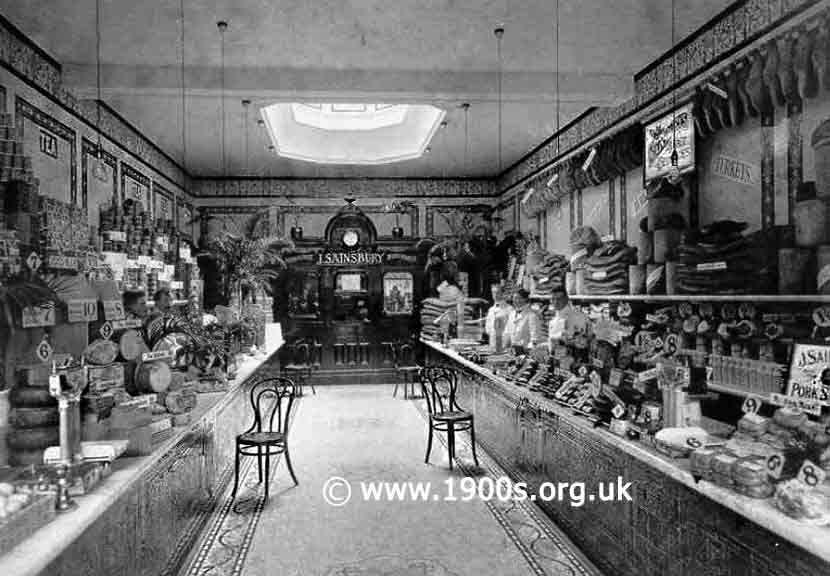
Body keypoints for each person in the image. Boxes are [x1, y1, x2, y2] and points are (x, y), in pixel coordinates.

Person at [505, 288, 540, 354]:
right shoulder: (511, 314)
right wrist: (506, 347)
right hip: (512, 352)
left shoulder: (531, 315)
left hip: (525, 353)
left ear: (525, 299)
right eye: (514, 298)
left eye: (519, 298)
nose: (516, 300)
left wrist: (528, 351)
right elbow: (507, 333)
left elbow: (534, 338)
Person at [484, 284, 513, 352]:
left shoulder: (509, 309)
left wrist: (505, 344)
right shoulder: (491, 310)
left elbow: (510, 329)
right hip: (492, 344)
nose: (495, 295)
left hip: (504, 345)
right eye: (493, 292)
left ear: (502, 294)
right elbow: (488, 329)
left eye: (497, 292)